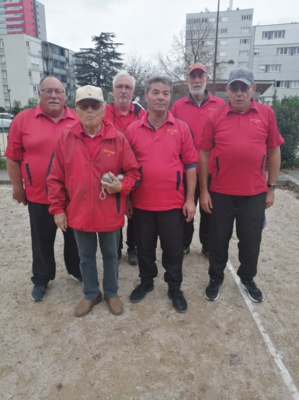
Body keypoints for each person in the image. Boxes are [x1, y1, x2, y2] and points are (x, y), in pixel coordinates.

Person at [47, 85, 141, 317]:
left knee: (111, 255)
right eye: (84, 106)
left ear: (103, 109)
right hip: (79, 212)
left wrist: (122, 186)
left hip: (109, 212)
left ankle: (111, 292)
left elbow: (133, 173)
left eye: (95, 105)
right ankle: (91, 293)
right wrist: (58, 209)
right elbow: (54, 178)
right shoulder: (65, 138)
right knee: (85, 257)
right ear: (76, 110)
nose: (90, 110)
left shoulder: (117, 139)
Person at [199, 68, 284, 303]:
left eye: (244, 88)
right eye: (234, 88)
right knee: (218, 239)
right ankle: (215, 277)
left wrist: (272, 187)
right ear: (227, 90)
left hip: (254, 193)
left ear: (252, 89)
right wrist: (204, 190)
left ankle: (247, 278)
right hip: (220, 192)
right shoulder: (215, 116)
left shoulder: (266, 113)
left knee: (250, 239)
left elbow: (274, 150)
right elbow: (204, 153)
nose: (239, 93)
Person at [5, 76, 82, 303]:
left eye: (58, 91)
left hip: (73, 196)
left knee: (75, 238)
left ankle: (76, 270)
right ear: (39, 94)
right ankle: (41, 278)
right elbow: (12, 157)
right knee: (41, 239)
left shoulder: (77, 119)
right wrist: (18, 188)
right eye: (48, 91)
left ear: (65, 95)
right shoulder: (23, 119)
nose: (54, 96)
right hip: (39, 194)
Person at [126, 76, 198, 313]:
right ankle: (146, 282)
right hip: (142, 204)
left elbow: (190, 165)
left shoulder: (181, 128)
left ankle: (174, 287)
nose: (160, 97)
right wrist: (127, 200)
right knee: (144, 248)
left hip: (172, 205)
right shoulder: (133, 129)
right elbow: (126, 168)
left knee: (173, 250)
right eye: (155, 92)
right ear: (145, 96)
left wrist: (189, 199)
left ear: (170, 98)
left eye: (165, 93)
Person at [171, 63, 225, 257]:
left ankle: (207, 244)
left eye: (200, 76)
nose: (196, 80)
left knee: (209, 209)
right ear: (187, 81)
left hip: (212, 169)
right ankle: (184, 242)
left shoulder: (220, 105)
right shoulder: (178, 106)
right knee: (185, 207)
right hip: (187, 169)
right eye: (192, 77)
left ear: (206, 79)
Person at [104, 70, 146, 266]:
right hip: (110, 169)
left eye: (127, 87)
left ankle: (133, 246)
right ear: (113, 90)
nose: (123, 91)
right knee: (114, 208)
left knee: (135, 210)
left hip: (133, 168)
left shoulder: (142, 114)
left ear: (133, 91)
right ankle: (116, 246)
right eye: (119, 87)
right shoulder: (103, 112)